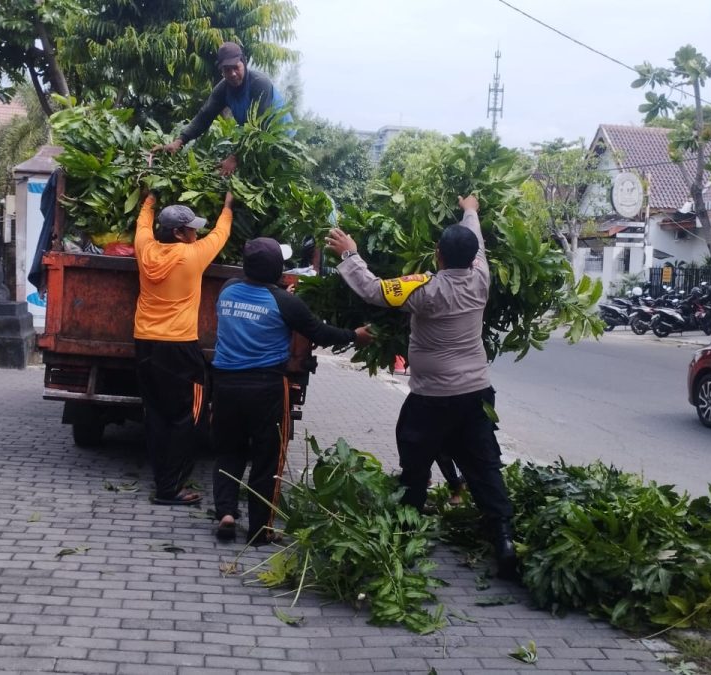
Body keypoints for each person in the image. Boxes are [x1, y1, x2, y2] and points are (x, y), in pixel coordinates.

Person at [324, 195, 518, 579]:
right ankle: (504, 538)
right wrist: (471, 210)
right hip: (476, 394)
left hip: (431, 399)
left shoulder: (425, 290)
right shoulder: (482, 278)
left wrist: (350, 254)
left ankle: (405, 537)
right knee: (484, 465)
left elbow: (374, 290)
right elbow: (475, 238)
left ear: (437, 256)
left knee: (415, 465)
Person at [211, 238, 372, 544]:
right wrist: (355, 335)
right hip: (266, 388)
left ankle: (226, 513)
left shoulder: (227, 290)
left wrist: (282, 296)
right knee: (267, 458)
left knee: (228, 451)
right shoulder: (287, 304)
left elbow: (257, 302)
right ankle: (260, 530)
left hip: (225, 385)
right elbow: (320, 333)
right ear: (276, 268)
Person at [135, 191, 235, 506]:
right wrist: (228, 206)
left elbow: (141, 225)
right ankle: (170, 489)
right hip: (179, 348)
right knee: (186, 419)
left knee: (156, 415)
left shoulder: (145, 250)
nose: (197, 233)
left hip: (145, 343)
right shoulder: (193, 255)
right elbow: (221, 233)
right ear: (179, 233)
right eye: (192, 228)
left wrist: (149, 198)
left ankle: (163, 481)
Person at [158, 41, 292, 176]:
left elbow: (259, 126)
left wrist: (235, 157)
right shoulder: (223, 89)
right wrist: (179, 141)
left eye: (236, 67)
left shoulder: (259, 83)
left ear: (243, 63)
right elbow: (204, 116)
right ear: (221, 71)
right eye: (227, 70)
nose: (233, 73)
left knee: (267, 177)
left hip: (280, 137)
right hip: (252, 137)